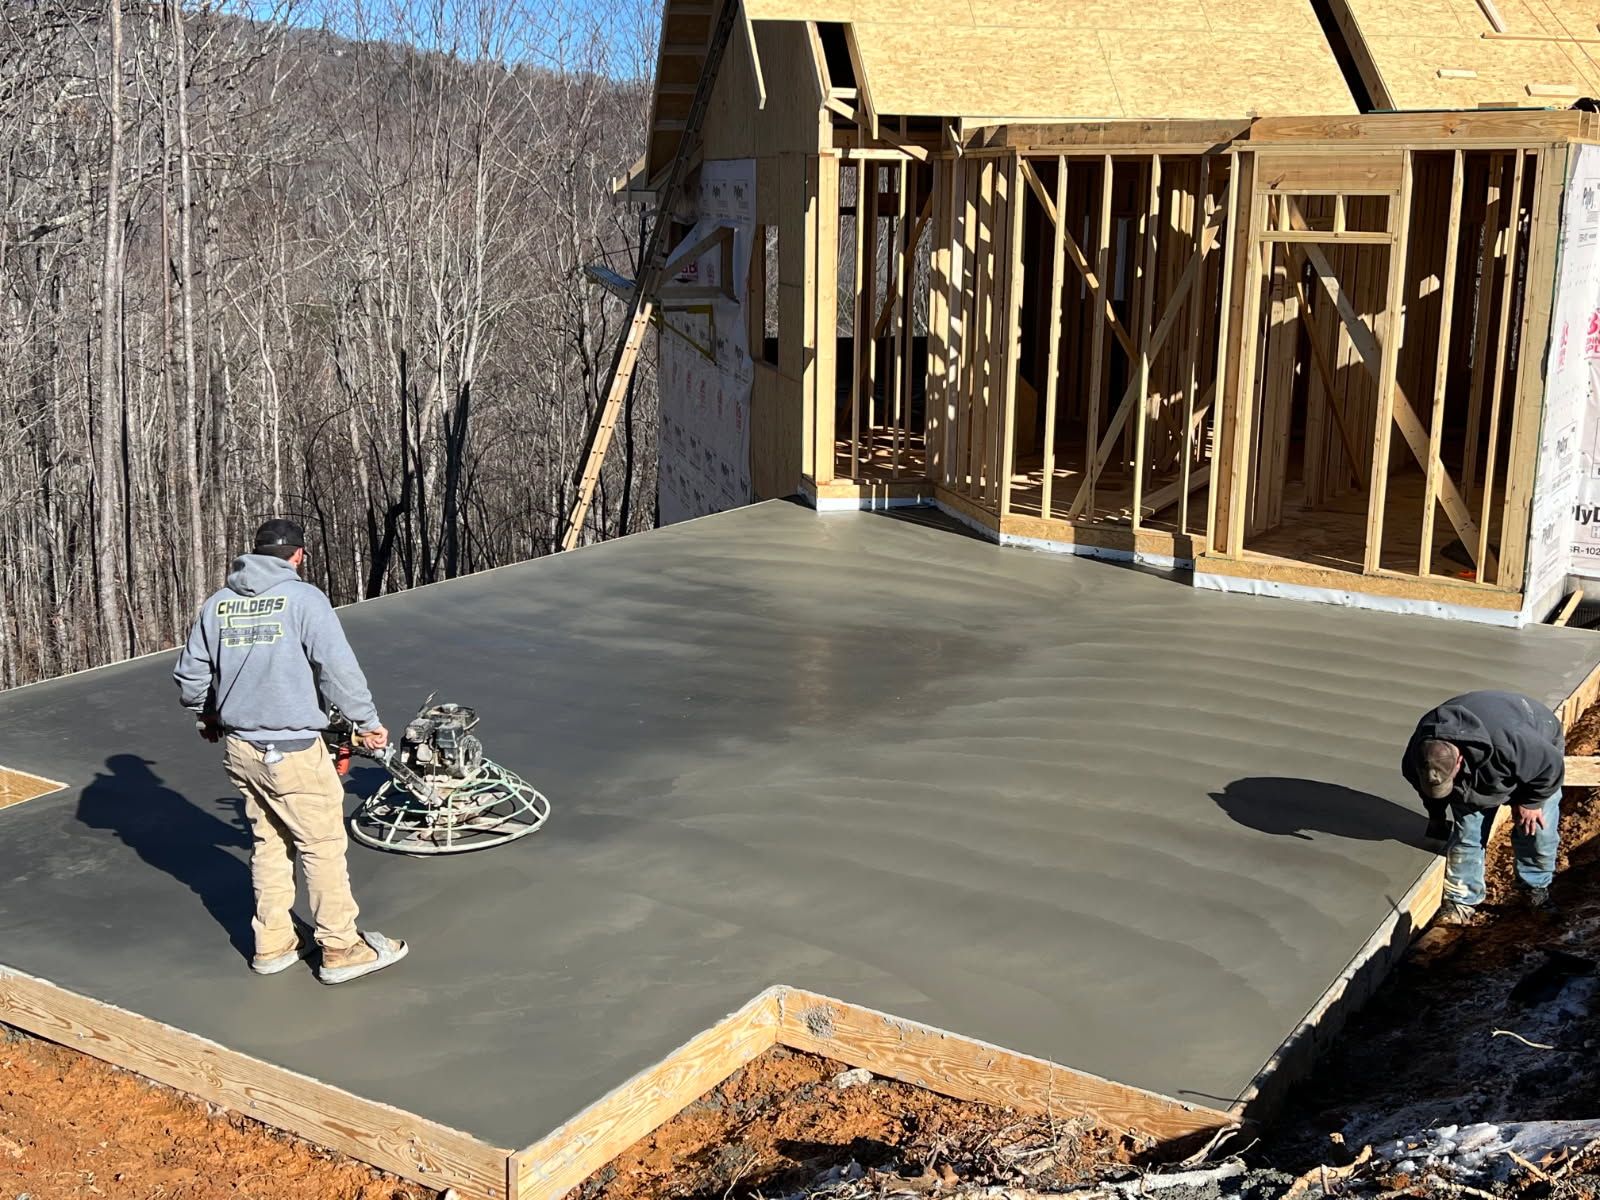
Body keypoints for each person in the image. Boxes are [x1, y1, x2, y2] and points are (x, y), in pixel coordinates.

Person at [174, 518, 408, 983]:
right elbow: (336, 669)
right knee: (321, 847)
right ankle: (341, 949)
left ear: (255, 552)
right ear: (298, 555)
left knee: (269, 843)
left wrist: (207, 715)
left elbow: (191, 674)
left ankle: (273, 943)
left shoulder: (218, 604)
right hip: (294, 750)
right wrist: (367, 723)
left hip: (242, 749)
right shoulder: (303, 599)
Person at [1401, 690, 1564, 926]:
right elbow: (1429, 791)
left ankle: (1535, 888)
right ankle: (1461, 902)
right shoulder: (1416, 759)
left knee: (1537, 832)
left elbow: (1550, 767)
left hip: (1535, 746)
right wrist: (1436, 817)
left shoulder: (1515, 742)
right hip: (1485, 766)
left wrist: (1531, 803)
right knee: (1467, 835)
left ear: (1458, 761)